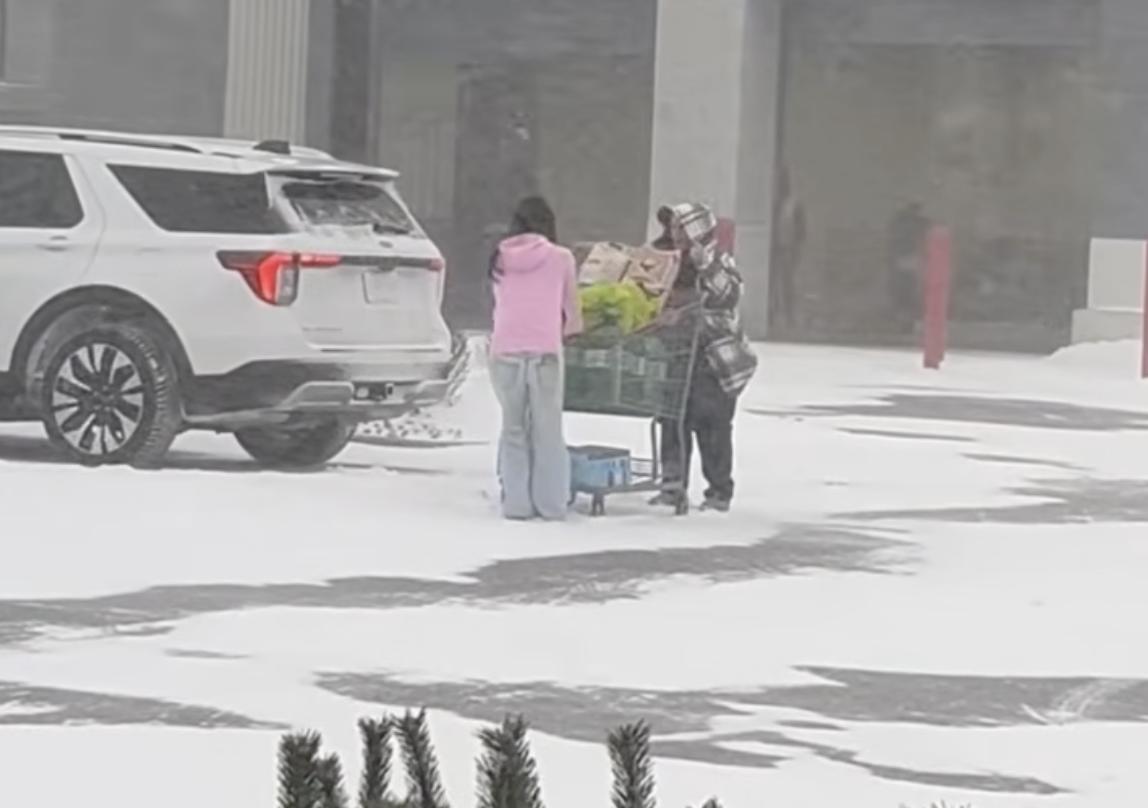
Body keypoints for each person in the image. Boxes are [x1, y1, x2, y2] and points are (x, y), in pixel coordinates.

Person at [651, 202, 758, 512]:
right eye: (673, 227)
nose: (675, 233)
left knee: (712, 424)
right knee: (673, 419)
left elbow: (726, 296)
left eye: (681, 227)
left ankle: (718, 491)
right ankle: (673, 486)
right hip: (677, 352)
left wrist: (704, 269)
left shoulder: (717, 261)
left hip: (713, 357)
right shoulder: (667, 260)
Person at [488, 196, 583, 521]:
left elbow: (500, 303)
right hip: (544, 351)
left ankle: (516, 504)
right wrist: (570, 330)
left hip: (504, 350)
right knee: (547, 431)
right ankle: (551, 504)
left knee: (513, 428)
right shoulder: (562, 257)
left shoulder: (499, 258)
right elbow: (572, 313)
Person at [769, 167, 806, 333]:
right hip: (774, 250)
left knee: (787, 284)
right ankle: (773, 315)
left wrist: (796, 250)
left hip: (788, 250)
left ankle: (789, 316)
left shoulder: (794, 205)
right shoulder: (773, 205)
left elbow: (801, 230)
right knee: (773, 285)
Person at [887, 202, 930, 334]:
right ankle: (908, 321)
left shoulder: (911, 224)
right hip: (907, 260)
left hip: (908, 260)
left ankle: (909, 321)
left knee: (908, 292)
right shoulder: (910, 225)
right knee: (907, 291)